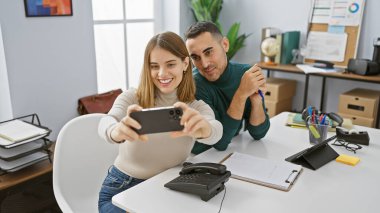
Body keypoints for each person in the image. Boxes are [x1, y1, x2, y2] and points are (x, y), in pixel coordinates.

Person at [97, 31, 223, 213]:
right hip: (123, 188)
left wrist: (205, 130)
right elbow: (106, 121)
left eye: (171, 64)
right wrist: (115, 131)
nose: (162, 73)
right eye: (154, 66)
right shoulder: (132, 98)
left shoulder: (195, 107)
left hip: (169, 187)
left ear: (185, 64)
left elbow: (215, 130)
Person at [184, 21, 270, 154]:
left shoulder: (245, 74)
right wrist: (241, 95)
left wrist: (256, 101)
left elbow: (259, 134)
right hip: (199, 157)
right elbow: (220, 142)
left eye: (208, 52)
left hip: (229, 155)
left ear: (225, 44)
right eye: (195, 57)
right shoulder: (194, 83)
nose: (204, 64)